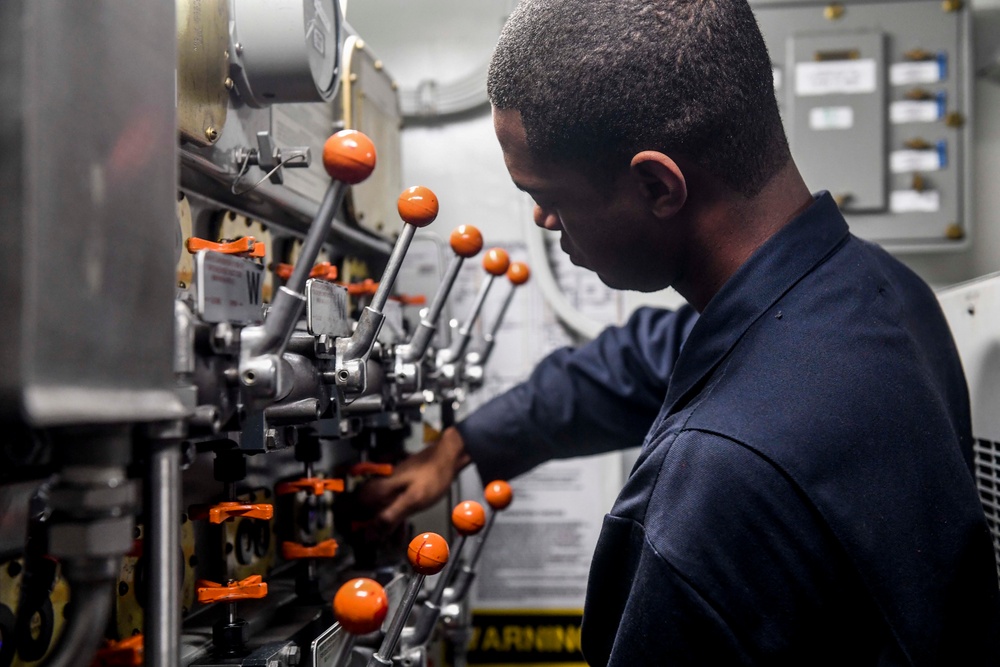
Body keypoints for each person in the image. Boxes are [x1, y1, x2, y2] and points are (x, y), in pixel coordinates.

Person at [361, 0, 1000, 663]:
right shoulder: (881, 292)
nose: (547, 220)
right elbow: (646, 358)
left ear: (658, 186)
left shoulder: (710, 487)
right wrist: (465, 442)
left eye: (545, 193)